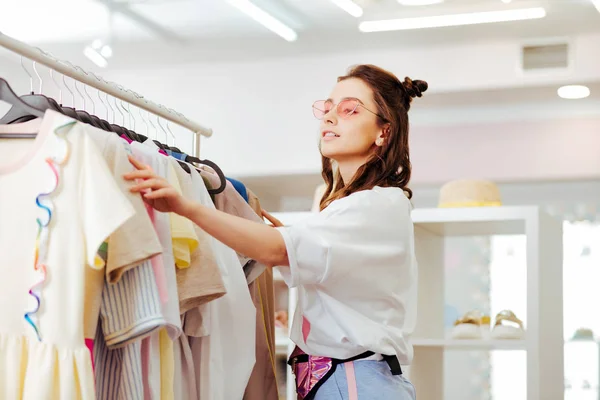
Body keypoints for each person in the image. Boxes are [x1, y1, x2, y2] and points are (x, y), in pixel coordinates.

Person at [124, 64, 426, 400]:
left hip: (354, 382)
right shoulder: (341, 205)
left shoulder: (376, 205)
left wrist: (187, 207)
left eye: (349, 110)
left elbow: (275, 251)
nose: (329, 118)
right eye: (327, 109)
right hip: (339, 380)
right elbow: (314, 260)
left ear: (384, 131)